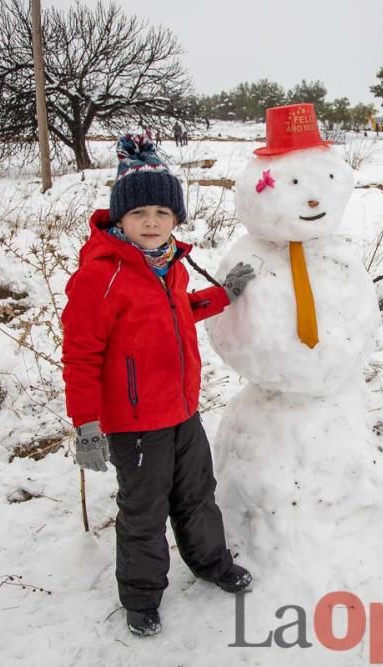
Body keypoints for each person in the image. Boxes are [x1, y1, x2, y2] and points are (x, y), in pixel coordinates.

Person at [61, 132, 256, 637]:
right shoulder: (99, 277)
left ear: (176, 219)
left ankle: (212, 562)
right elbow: (81, 356)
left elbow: (175, 315)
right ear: (119, 218)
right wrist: (86, 426)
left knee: (197, 495)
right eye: (140, 213)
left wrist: (221, 296)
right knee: (144, 511)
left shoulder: (166, 266)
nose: (151, 222)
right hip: (135, 424)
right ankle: (142, 597)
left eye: (162, 213)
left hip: (182, 411)